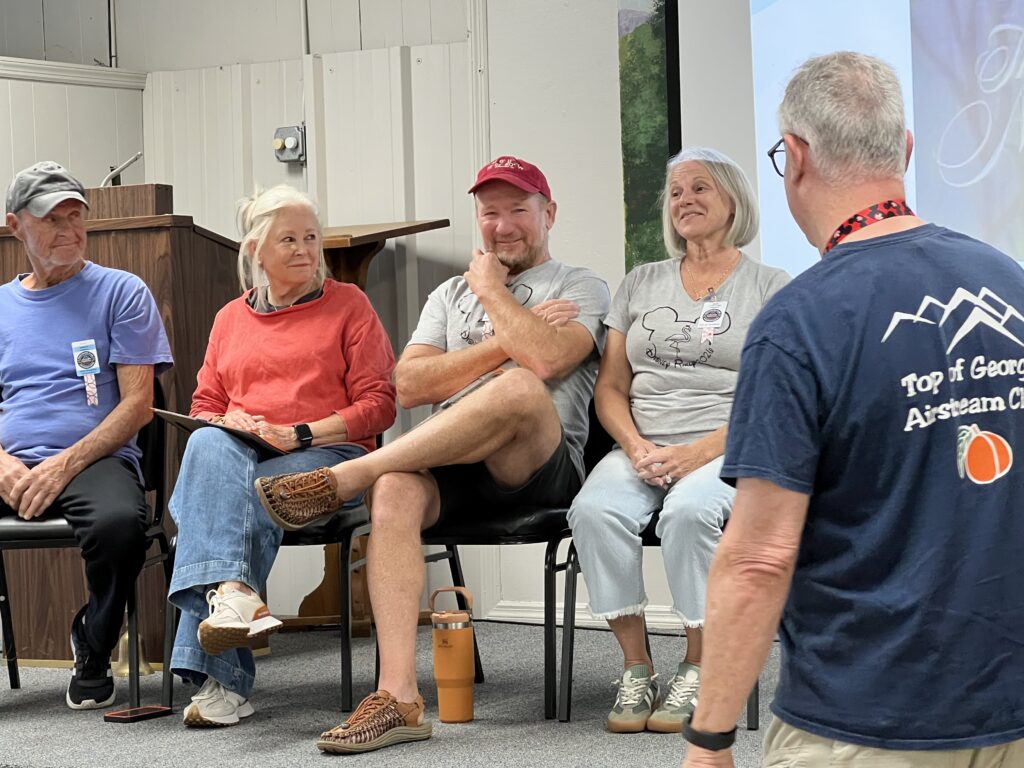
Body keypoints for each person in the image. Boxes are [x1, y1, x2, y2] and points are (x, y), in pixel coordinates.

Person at [681, 52, 1024, 768]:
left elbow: (758, 558)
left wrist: (710, 738)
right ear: (905, 149)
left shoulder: (798, 323)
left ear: (796, 157)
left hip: (864, 718)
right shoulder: (1009, 284)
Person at [254, 156, 611, 753]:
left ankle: (349, 475)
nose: (502, 225)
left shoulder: (580, 286)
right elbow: (411, 384)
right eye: (490, 212)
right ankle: (398, 697)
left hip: (538, 467)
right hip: (455, 465)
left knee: (521, 388)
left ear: (549, 213)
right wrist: (510, 339)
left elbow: (548, 360)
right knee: (395, 488)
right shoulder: (449, 294)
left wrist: (492, 293)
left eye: (518, 210)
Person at [567, 147, 788, 735]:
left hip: (727, 444)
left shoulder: (770, 286)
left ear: (733, 201)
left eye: (700, 188)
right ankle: (636, 667)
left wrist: (697, 453)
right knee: (592, 511)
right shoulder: (640, 282)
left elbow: (773, 397)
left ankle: (699, 664)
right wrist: (635, 445)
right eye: (675, 193)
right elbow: (610, 387)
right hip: (643, 444)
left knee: (690, 513)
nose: (684, 200)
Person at [165, 185, 396, 728]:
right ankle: (235, 593)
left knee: (228, 499)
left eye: (311, 237)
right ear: (256, 251)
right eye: (288, 239)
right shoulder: (230, 318)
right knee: (205, 441)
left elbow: (379, 405)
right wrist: (231, 421)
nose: (304, 249)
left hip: (330, 456)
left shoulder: (349, 305)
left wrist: (301, 434)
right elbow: (204, 406)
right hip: (246, 455)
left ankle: (222, 677)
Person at [0, 161, 173, 710]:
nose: (69, 230)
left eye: (76, 216)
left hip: (96, 458)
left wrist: (63, 464)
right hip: (9, 462)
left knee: (121, 525)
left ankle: (93, 644)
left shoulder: (122, 292)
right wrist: (1, 463)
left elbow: (138, 405)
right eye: (52, 219)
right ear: (16, 225)